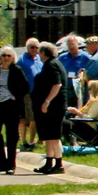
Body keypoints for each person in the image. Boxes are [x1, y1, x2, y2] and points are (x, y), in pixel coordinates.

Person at [0, 46, 29, 173]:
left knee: (11, 136)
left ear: (13, 58)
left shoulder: (17, 70)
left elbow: (25, 87)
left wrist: (16, 96)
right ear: (0, 57)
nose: (6, 58)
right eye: (4, 55)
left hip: (11, 105)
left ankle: (11, 165)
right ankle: (1, 164)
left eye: (9, 56)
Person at [31, 41, 67, 174]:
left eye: (40, 52)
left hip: (54, 106)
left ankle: (59, 163)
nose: (38, 54)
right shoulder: (51, 64)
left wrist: (47, 101)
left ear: (44, 53)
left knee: (54, 135)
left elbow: (57, 85)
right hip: (50, 106)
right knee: (48, 135)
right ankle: (49, 162)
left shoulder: (52, 65)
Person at [17, 37, 42, 149]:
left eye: (37, 47)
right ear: (27, 48)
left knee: (35, 119)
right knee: (27, 118)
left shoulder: (39, 59)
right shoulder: (22, 60)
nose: (35, 49)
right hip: (27, 93)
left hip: (38, 92)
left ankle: (32, 141)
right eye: (32, 47)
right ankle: (24, 141)